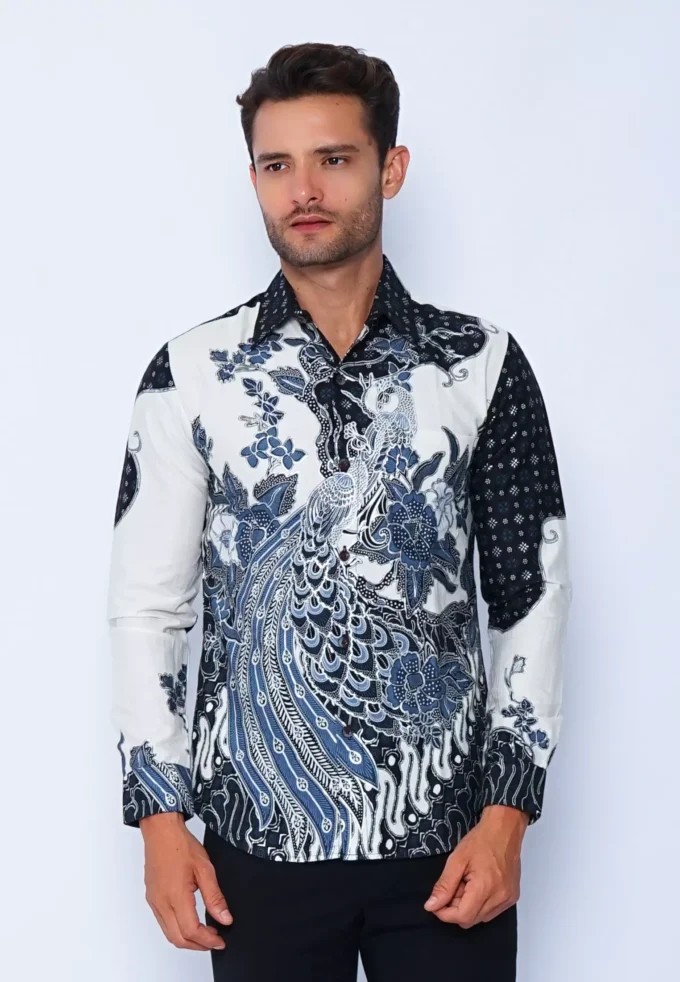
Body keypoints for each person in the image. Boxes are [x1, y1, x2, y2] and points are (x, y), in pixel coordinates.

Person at [106, 40, 572, 982]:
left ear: (390, 170)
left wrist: (508, 811)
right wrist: (159, 815)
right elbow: (149, 604)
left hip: (448, 847)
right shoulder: (190, 371)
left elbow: (531, 594)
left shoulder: (479, 363)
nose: (304, 190)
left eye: (334, 158)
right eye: (277, 165)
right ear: (254, 179)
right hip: (257, 846)